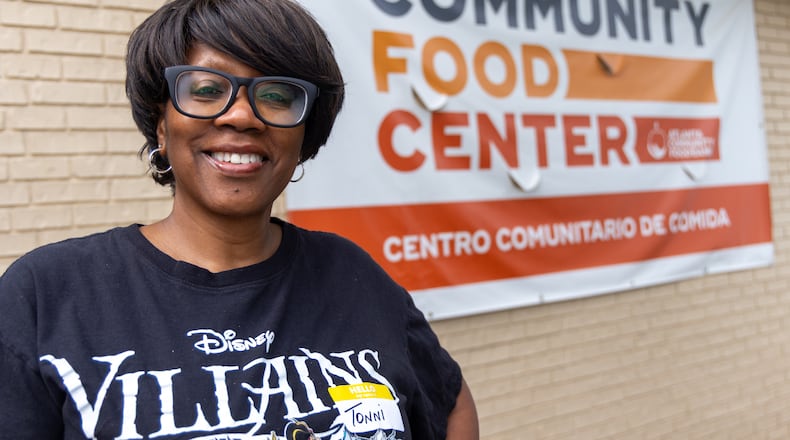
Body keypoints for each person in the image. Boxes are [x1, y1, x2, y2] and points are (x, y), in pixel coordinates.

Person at [0, 0, 479, 439]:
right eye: (207, 89)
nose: (243, 116)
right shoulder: (47, 295)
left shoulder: (352, 275)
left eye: (276, 95)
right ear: (161, 123)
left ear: (304, 135)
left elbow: (450, 403)